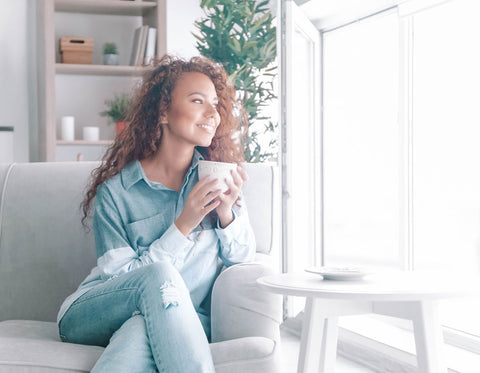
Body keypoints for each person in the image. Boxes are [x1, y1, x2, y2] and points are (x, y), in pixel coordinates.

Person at [57, 55, 256, 373]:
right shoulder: (118, 193)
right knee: (160, 276)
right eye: (197, 101)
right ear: (163, 111)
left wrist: (227, 214)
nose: (212, 114)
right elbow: (121, 282)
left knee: (140, 330)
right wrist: (183, 226)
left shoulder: (215, 178)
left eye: (215, 104)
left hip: (171, 320)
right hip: (91, 312)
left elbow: (244, 264)